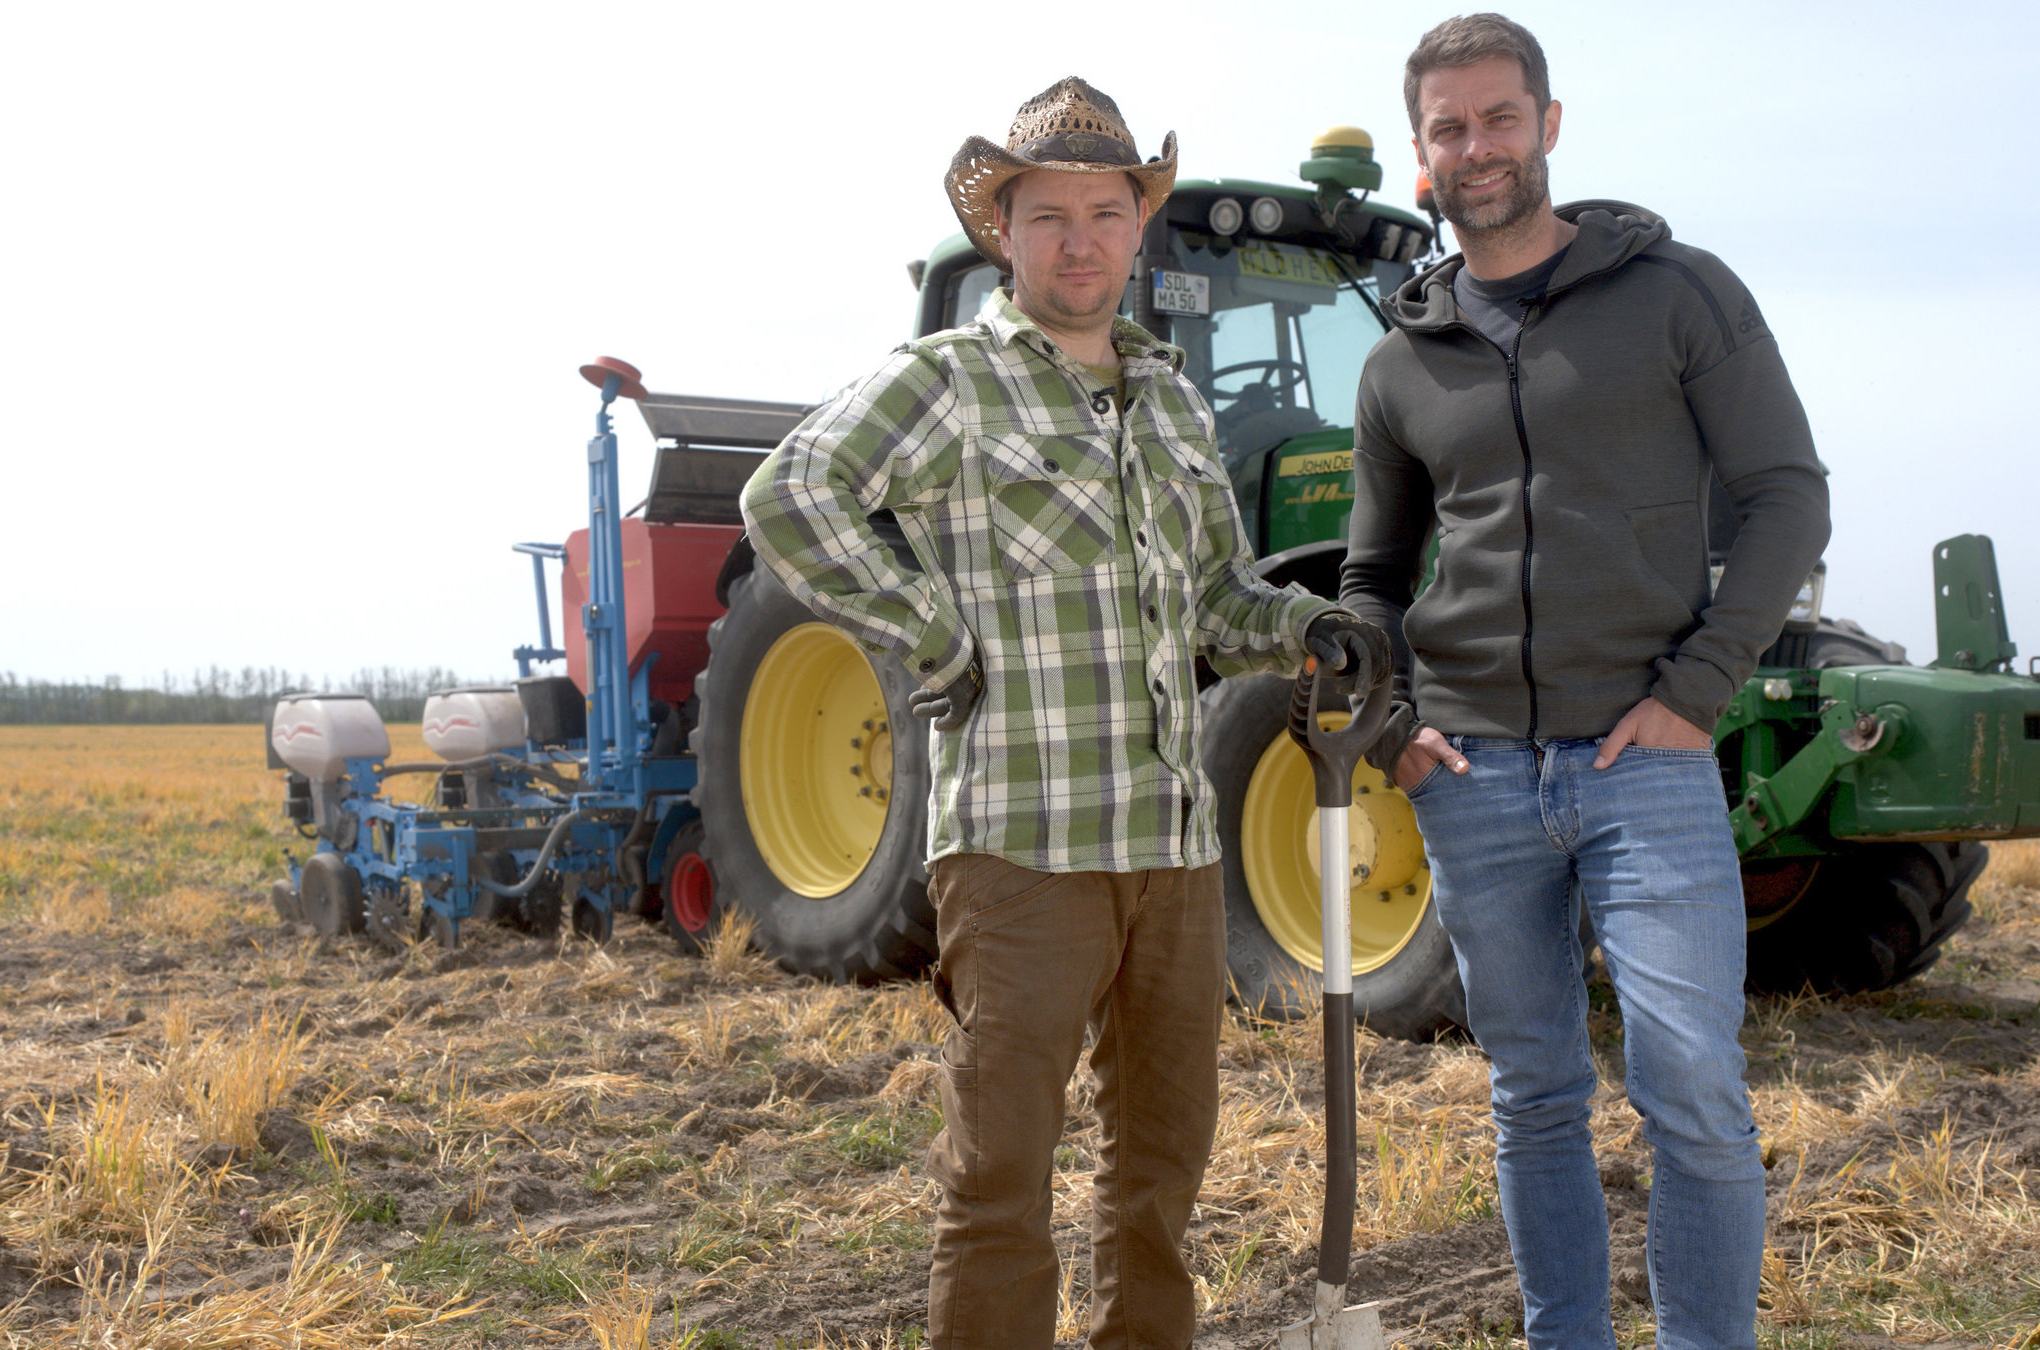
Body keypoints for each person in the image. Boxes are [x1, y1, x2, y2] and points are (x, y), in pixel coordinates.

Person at [742, 76, 1380, 1350]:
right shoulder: (949, 384)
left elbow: (1214, 601)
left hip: (1176, 849)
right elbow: (790, 495)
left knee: (1161, 1175)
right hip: (1023, 849)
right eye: (1049, 216)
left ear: (1138, 225)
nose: (1080, 238)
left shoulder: (1178, 405)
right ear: (1005, 234)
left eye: (1105, 210)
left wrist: (1306, 627)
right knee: (999, 1181)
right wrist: (929, 630)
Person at [1340, 14, 1830, 1350]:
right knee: (1535, 1092)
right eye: (1449, 129)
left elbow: (1786, 497)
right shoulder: (1400, 362)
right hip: (1474, 777)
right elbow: (1371, 574)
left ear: (1550, 125)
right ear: (1422, 157)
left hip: (1646, 760)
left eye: (1500, 118)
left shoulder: (1680, 295)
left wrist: (1699, 687)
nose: (1477, 146)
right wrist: (1388, 725)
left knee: (1693, 1088)